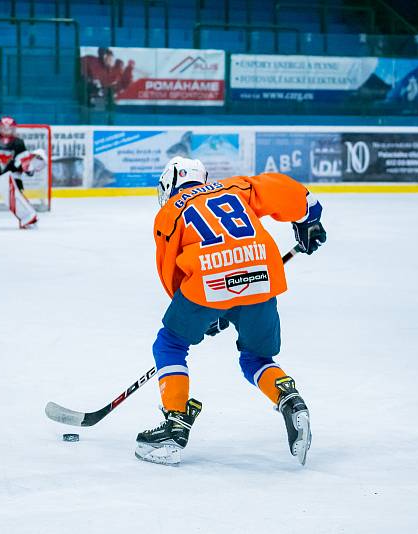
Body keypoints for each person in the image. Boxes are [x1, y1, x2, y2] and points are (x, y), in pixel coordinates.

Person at [135, 157, 327, 466]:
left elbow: (172, 278)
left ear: (169, 184)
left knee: (169, 344)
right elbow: (289, 191)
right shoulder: (235, 187)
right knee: (256, 359)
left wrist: (203, 315)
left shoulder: (168, 213)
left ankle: (174, 425)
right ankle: (290, 400)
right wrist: (309, 220)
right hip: (261, 275)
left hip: (208, 280)